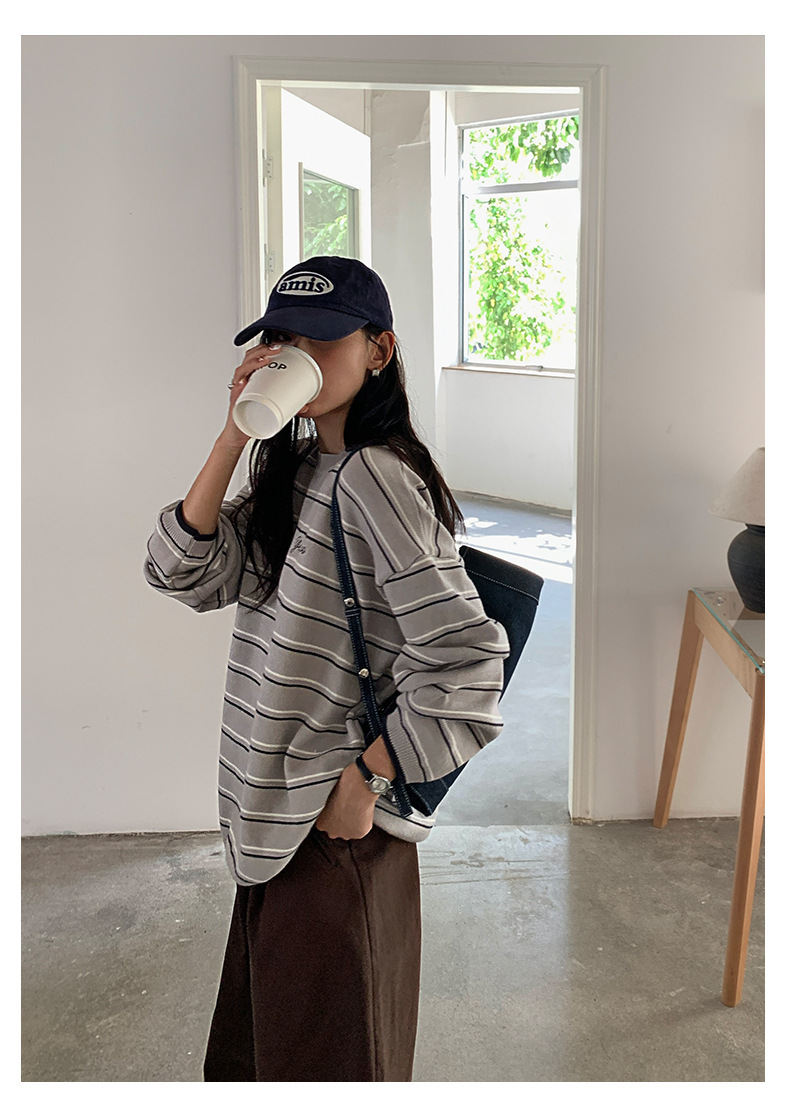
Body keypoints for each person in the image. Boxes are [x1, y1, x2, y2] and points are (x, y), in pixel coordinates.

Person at [144, 256, 510, 1082]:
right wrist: (235, 434)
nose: (295, 354)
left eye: (321, 339)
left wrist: (365, 781)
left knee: (329, 1069)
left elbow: (468, 664)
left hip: (330, 831)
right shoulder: (301, 469)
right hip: (271, 823)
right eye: (282, 338)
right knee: (271, 1063)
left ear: (379, 350)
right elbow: (178, 569)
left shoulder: (379, 477)